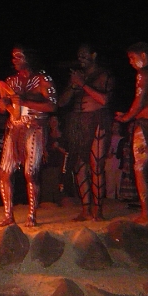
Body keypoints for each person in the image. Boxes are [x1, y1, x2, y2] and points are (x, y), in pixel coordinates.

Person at [0, 46, 57, 227]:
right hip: (14, 128)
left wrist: (24, 102)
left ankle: (31, 215)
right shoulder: (10, 81)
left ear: (29, 57)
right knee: (4, 172)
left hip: (34, 128)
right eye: (13, 56)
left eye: (19, 56)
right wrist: (2, 104)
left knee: (31, 173)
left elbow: (52, 106)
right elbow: (4, 107)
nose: (14, 59)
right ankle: (8, 215)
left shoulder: (42, 79)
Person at [115, 42, 148, 222]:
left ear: (143, 56)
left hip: (147, 124)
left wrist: (126, 117)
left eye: (132, 57)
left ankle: (146, 212)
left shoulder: (143, 73)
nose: (130, 62)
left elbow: (139, 101)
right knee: (147, 168)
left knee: (140, 168)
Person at [59, 44, 114, 221]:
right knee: (78, 165)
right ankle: (85, 208)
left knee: (96, 166)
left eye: (84, 54)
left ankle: (98, 210)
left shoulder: (104, 75)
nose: (80, 58)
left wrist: (83, 84)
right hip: (77, 123)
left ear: (94, 54)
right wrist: (73, 87)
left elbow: (104, 100)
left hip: (97, 120)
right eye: (78, 55)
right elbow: (61, 103)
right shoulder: (77, 76)